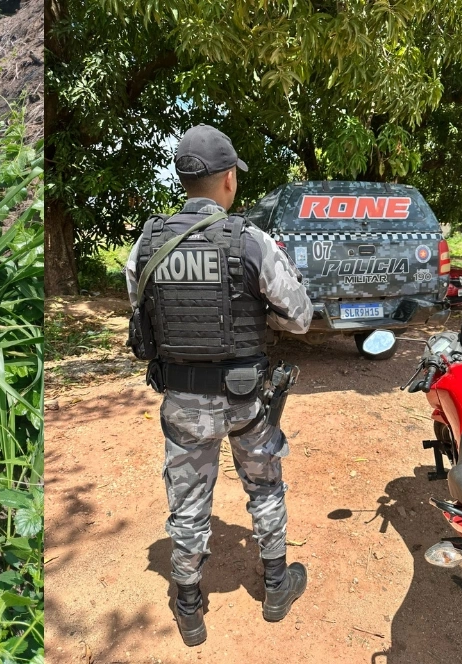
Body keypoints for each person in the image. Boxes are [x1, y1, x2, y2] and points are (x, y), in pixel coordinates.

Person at [125, 124, 313, 647]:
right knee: (266, 486)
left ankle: (189, 609)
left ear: (184, 179)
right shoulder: (250, 240)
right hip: (246, 398)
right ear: (228, 179)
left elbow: (141, 314)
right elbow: (299, 315)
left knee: (187, 503)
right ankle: (277, 587)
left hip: (183, 400)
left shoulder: (148, 243)